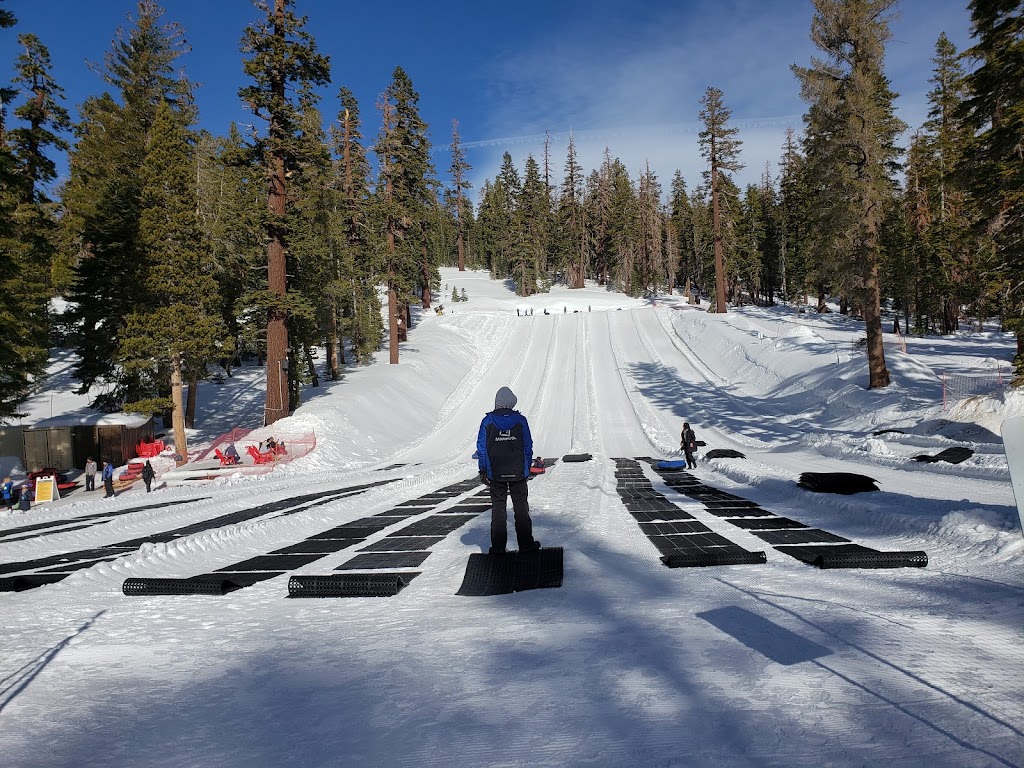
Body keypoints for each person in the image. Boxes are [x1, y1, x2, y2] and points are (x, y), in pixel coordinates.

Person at [477, 386, 540, 555]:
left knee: (498, 508)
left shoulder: (487, 421)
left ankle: (498, 547)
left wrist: (483, 469)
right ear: (511, 402)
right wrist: (526, 467)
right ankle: (526, 545)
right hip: (518, 472)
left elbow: (482, 448)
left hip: (495, 473)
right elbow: (528, 445)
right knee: (521, 507)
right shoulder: (520, 420)